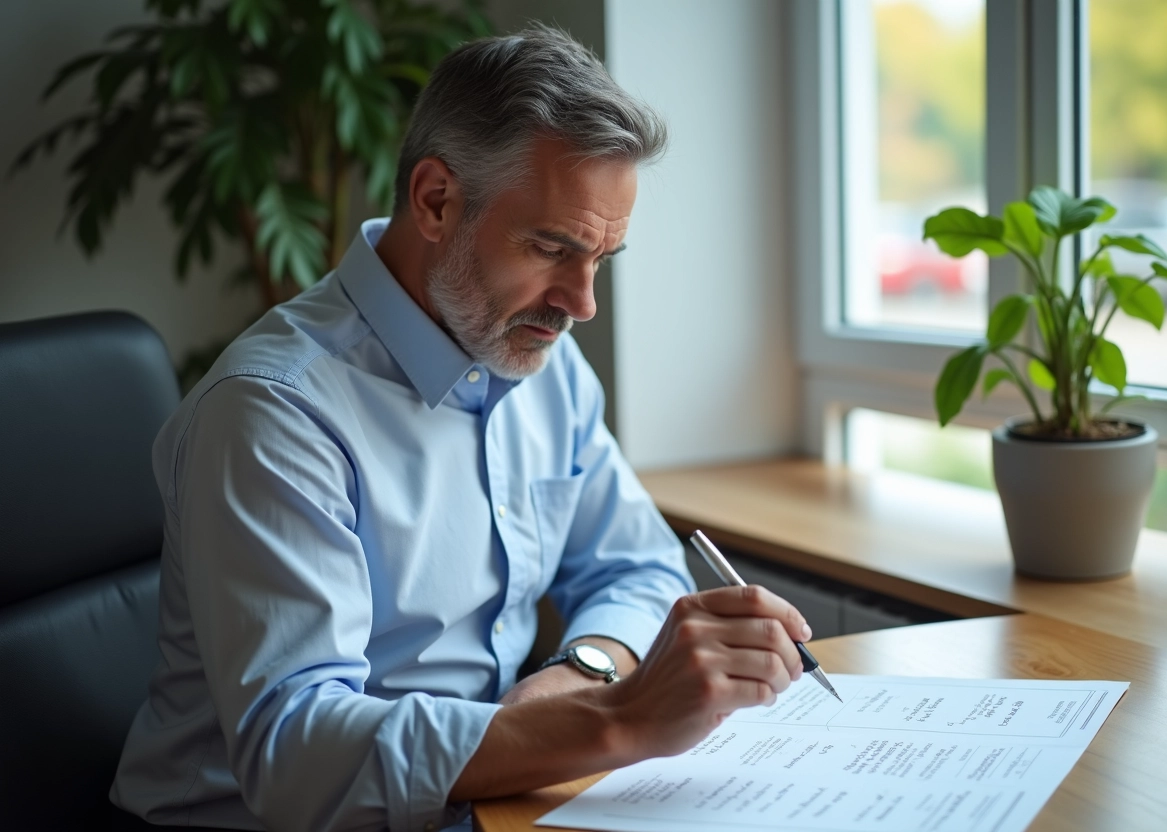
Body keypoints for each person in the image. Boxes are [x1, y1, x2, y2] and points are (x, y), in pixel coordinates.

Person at [111, 26, 813, 832]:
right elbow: (296, 755)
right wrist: (619, 720)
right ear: (436, 200)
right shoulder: (274, 412)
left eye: (601, 260)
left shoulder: (539, 358)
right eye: (553, 247)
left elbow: (637, 567)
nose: (580, 303)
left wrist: (578, 673)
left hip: (484, 802)